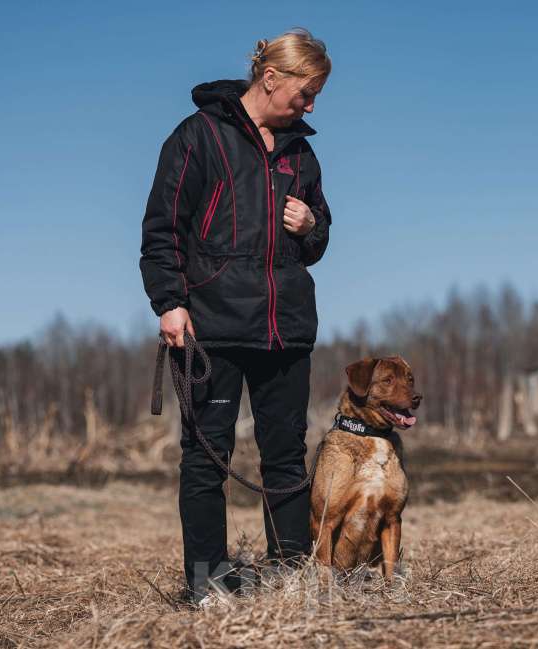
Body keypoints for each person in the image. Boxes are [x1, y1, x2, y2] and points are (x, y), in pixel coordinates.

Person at [139, 29, 332, 604]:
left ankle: (290, 576)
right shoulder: (196, 138)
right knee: (206, 457)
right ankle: (205, 584)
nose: (312, 105)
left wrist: (311, 226)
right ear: (271, 78)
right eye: (307, 91)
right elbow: (161, 234)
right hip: (213, 328)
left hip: (286, 329)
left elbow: (319, 238)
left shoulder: (302, 153)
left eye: (318, 94)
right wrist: (170, 304)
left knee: (287, 455)